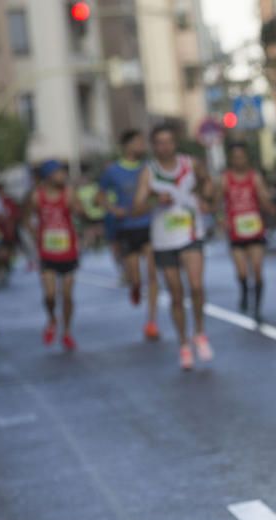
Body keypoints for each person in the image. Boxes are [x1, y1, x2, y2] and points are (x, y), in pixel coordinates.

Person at [133, 123, 214, 371]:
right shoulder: (150, 172)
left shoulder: (191, 164)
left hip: (191, 233)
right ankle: (183, 344)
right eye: (159, 142)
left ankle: (199, 332)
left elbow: (208, 185)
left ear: (174, 143)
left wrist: (206, 199)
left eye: (168, 141)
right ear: (153, 146)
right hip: (164, 240)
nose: (164, 146)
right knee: (176, 294)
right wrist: (156, 199)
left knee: (197, 286)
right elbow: (137, 207)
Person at [99, 130, 159, 340]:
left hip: (149, 225)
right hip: (126, 227)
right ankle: (135, 286)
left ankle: (151, 321)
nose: (142, 145)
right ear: (126, 145)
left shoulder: (150, 168)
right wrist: (114, 210)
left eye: (143, 141)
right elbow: (100, 196)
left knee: (153, 274)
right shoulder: (112, 171)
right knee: (136, 276)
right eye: (137, 142)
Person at [217, 143, 276, 322]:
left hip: (255, 231)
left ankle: (256, 308)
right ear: (231, 160)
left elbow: (264, 199)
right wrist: (221, 218)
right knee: (242, 272)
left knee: (257, 270)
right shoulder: (225, 179)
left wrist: (268, 204)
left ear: (246, 158)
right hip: (236, 232)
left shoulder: (254, 177)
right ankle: (243, 290)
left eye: (241, 157)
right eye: (235, 157)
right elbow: (218, 202)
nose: (238, 160)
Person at [28, 160, 81, 351]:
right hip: (47, 252)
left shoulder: (68, 193)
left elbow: (80, 212)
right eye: (59, 173)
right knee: (50, 295)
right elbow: (27, 219)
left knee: (67, 295)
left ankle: (66, 332)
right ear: (49, 175)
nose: (62, 176)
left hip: (68, 251)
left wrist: (76, 205)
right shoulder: (37, 196)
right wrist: (35, 235)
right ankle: (52, 319)